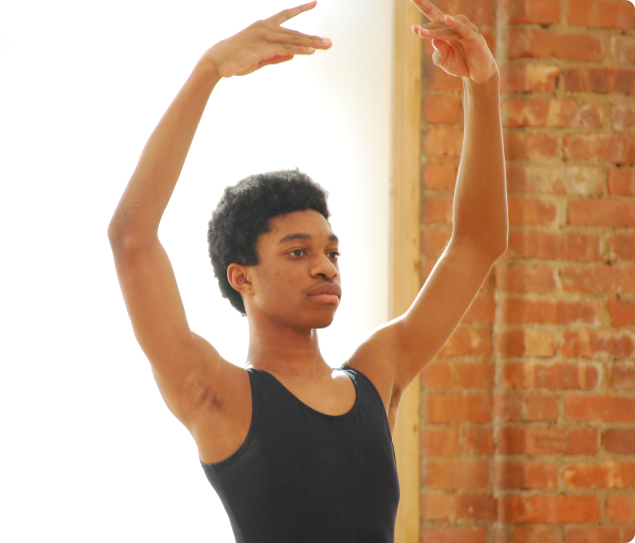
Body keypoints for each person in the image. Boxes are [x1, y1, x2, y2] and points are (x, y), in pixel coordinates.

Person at [108, 1, 506, 541]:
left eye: (332, 252)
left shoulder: (377, 375)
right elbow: (131, 238)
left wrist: (483, 85)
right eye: (298, 252)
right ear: (241, 276)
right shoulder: (216, 393)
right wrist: (209, 70)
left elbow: (478, 242)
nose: (324, 267)